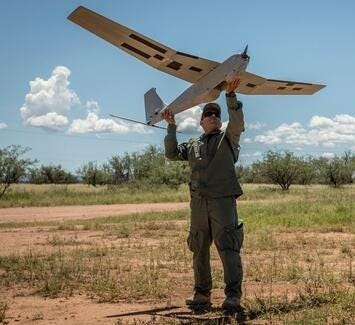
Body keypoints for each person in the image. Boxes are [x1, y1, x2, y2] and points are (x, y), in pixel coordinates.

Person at [162, 80, 245, 310]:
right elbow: (170, 153)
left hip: (222, 202)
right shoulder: (192, 145)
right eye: (208, 114)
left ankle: (233, 296)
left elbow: (236, 123)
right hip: (198, 203)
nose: (212, 116)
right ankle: (202, 294)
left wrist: (230, 96)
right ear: (201, 122)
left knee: (228, 247)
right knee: (199, 247)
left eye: (216, 115)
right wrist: (170, 126)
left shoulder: (228, 139)